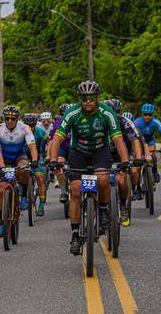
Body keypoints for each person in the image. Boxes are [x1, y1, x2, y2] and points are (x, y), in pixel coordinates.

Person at [48, 82, 129, 256]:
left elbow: (118, 140)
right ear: (79, 99)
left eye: (91, 98)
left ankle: (103, 209)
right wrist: (53, 160)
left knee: (103, 180)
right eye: (84, 98)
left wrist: (125, 162)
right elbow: (57, 139)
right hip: (79, 152)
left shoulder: (107, 113)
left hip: (100, 151)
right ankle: (75, 234)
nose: (88, 101)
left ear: (98, 98)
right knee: (76, 189)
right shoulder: (72, 113)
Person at [0, 105, 38, 235]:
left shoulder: (24, 128)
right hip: (3, 159)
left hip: (19, 157)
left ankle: (24, 194)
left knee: (24, 168)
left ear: (18, 119)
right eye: (7, 118)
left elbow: (32, 146)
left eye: (13, 118)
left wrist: (34, 160)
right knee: (1, 191)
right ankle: (2, 223)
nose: (10, 121)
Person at [103, 99, 145, 226]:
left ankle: (122, 206)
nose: (115, 115)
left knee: (122, 179)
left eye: (117, 112)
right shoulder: (99, 120)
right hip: (102, 154)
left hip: (121, 154)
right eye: (111, 112)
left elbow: (135, 140)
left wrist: (138, 158)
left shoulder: (124, 122)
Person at [134, 103, 161, 183]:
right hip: (139, 141)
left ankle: (155, 171)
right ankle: (136, 183)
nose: (147, 116)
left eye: (150, 115)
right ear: (142, 114)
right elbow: (131, 133)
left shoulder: (156, 122)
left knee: (153, 154)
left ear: (152, 115)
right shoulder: (137, 122)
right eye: (145, 114)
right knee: (138, 161)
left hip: (149, 140)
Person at [22, 113, 49, 216]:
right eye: (27, 125)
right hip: (23, 156)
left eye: (32, 125)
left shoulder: (39, 131)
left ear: (35, 124)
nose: (30, 127)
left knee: (40, 179)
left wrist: (48, 156)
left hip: (38, 156)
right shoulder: (20, 132)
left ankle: (41, 205)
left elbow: (49, 142)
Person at [48, 103, 72, 202]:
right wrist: (50, 157)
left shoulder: (76, 120)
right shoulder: (57, 123)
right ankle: (63, 192)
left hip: (73, 148)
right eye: (63, 114)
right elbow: (52, 140)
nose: (65, 115)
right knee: (59, 167)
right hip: (62, 148)